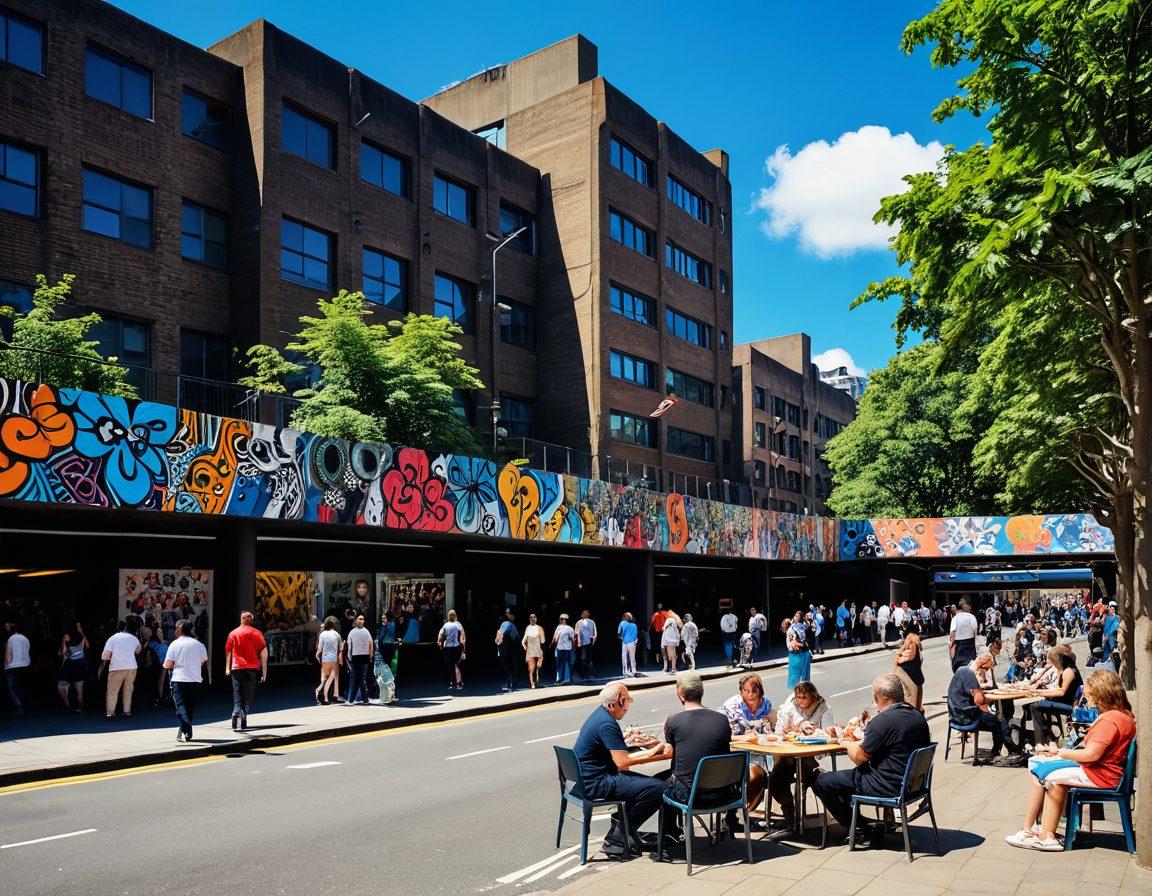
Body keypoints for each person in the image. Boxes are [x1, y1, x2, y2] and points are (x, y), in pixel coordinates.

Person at [1006, 670, 1135, 852]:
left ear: (1100, 693)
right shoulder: (1124, 715)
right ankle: (1044, 831)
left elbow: (1091, 755)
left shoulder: (1109, 720)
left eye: (1089, 694)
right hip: (1107, 772)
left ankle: (1045, 835)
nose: (1086, 698)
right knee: (1051, 775)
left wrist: (1062, 752)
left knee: (1048, 776)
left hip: (1100, 774)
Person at [812, 674, 931, 845]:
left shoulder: (882, 721)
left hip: (887, 784)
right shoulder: (917, 716)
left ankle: (861, 827)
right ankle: (862, 823)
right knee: (844, 780)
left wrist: (845, 743)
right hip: (913, 784)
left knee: (823, 781)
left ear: (879, 697)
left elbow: (860, 758)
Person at [659, 671, 762, 841]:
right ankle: (729, 821)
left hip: (692, 795)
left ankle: (668, 837)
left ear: (680, 694)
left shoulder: (673, 720)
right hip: (725, 794)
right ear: (701, 692)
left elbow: (674, 752)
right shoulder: (721, 719)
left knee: (660, 784)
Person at [572, 682, 668, 857]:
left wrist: (641, 744)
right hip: (597, 783)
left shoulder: (600, 715)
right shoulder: (607, 724)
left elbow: (616, 750)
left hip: (589, 779)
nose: (627, 708)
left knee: (648, 784)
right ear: (618, 701)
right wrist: (654, 752)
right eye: (627, 702)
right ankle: (618, 835)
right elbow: (623, 763)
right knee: (660, 788)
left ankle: (624, 828)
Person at [771, 681, 836, 829]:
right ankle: (789, 814)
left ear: (812, 696)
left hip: (813, 756)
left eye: (804, 697)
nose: (800, 701)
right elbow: (780, 732)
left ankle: (834, 812)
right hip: (790, 755)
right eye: (798, 697)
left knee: (813, 777)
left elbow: (828, 733)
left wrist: (813, 732)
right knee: (776, 778)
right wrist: (791, 728)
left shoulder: (823, 708)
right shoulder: (790, 706)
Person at [947, 654, 1023, 763]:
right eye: (986, 669)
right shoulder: (969, 674)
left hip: (956, 715)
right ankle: (1011, 751)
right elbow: (979, 700)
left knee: (996, 717)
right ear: (981, 667)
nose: (986, 672)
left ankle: (996, 751)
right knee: (999, 720)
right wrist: (986, 698)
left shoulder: (962, 670)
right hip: (966, 716)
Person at [1028, 644, 1083, 744]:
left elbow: (1061, 692)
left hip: (1069, 704)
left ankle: (1041, 740)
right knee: (1038, 703)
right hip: (1066, 700)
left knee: (1035, 706)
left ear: (1060, 659)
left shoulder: (1069, 671)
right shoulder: (1065, 670)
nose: (1053, 663)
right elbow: (1057, 687)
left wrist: (1039, 692)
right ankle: (1047, 735)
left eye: (1054, 660)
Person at [163, 619, 207, 742]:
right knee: (189, 707)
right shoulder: (199, 645)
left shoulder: (174, 644)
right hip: (195, 679)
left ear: (180, 629)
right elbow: (203, 660)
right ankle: (187, 733)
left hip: (179, 678)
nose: (175, 631)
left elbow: (168, 664)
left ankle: (187, 726)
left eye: (176, 628)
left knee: (181, 706)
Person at [225, 610, 267, 731]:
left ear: (241, 619)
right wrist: (264, 672)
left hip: (237, 667)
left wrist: (227, 667)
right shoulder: (257, 633)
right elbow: (263, 652)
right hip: (251, 668)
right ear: (251, 620)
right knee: (249, 694)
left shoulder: (233, 633)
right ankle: (243, 715)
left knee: (237, 692)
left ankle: (236, 712)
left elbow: (228, 650)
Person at [101, 618, 142, 720]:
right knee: (128, 690)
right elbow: (138, 651)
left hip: (117, 667)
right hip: (131, 667)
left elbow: (106, 655)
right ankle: (127, 712)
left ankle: (110, 713)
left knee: (113, 691)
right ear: (126, 627)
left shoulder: (112, 638)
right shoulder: (134, 638)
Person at [892, 621, 924, 712]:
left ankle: (916, 710)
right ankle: (913, 712)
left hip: (906, 671)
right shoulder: (913, 643)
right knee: (913, 692)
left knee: (912, 693)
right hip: (904, 671)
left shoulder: (911, 643)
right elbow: (911, 657)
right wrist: (901, 659)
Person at [57, 622, 89, 712]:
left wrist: (61, 652)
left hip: (70, 663)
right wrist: (82, 633)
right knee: (79, 687)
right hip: (79, 663)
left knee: (62, 684)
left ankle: (67, 704)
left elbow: (62, 651)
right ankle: (80, 705)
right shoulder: (81, 636)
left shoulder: (66, 636)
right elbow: (88, 646)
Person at [345, 614, 374, 705]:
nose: (361, 621)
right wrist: (350, 657)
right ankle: (363, 699)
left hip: (361, 657)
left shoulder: (365, 631)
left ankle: (352, 700)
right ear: (356, 620)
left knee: (358, 679)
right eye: (360, 619)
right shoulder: (354, 632)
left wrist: (370, 656)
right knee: (359, 679)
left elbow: (370, 645)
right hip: (357, 657)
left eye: (362, 619)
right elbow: (350, 646)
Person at [4, 621, 32, 715]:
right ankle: (24, 704)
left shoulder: (11, 638)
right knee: (21, 686)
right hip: (25, 665)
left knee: (12, 687)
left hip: (13, 666)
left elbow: (8, 654)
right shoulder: (25, 638)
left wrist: (7, 665)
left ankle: (18, 706)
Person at [314, 616, 343, 705]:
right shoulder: (336, 635)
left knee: (326, 678)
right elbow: (340, 649)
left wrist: (317, 655)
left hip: (325, 659)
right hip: (333, 659)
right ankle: (327, 696)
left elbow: (319, 647)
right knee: (331, 679)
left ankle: (326, 697)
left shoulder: (322, 634)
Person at [437, 609, 466, 691]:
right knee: (456, 665)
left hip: (447, 648)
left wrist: (439, 643)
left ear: (448, 617)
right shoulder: (458, 624)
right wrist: (464, 649)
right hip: (456, 648)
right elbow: (463, 637)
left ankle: (454, 683)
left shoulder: (445, 625)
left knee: (451, 666)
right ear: (455, 616)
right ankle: (459, 683)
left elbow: (440, 635)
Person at [950, 598, 979, 672]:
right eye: (968, 604)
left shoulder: (955, 618)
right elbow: (975, 634)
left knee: (959, 669)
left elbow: (952, 637)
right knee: (972, 668)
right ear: (964, 606)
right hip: (970, 646)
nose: (970, 606)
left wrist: (952, 655)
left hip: (959, 647)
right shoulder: (971, 617)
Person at [495, 609, 519, 692]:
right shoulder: (508, 623)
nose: (509, 615)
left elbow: (502, 633)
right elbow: (502, 633)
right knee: (508, 663)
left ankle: (510, 680)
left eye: (510, 613)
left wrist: (498, 641)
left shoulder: (509, 624)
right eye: (508, 613)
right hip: (508, 645)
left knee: (505, 662)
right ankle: (511, 680)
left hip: (508, 646)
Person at [786, 611, 811, 688]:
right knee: (796, 674)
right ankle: (798, 688)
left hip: (803, 650)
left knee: (804, 674)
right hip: (797, 652)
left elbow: (808, 624)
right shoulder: (792, 628)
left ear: (800, 619)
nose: (796, 617)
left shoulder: (802, 626)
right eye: (795, 616)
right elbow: (789, 642)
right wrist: (792, 643)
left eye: (798, 616)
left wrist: (805, 619)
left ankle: (803, 688)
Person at [522, 613, 546, 688]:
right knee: (531, 669)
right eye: (531, 617)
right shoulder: (528, 628)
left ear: (536, 618)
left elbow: (542, 641)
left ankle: (536, 681)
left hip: (538, 650)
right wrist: (524, 646)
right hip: (530, 651)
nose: (532, 618)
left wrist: (542, 637)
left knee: (539, 666)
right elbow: (523, 640)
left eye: (534, 617)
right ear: (529, 619)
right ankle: (532, 683)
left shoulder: (539, 628)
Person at [552, 613, 576, 684]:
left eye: (565, 619)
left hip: (567, 649)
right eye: (562, 619)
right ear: (560, 619)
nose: (563, 620)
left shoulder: (570, 629)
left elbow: (573, 639)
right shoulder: (558, 627)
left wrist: (573, 648)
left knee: (567, 664)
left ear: (567, 620)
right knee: (559, 664)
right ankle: (559, 679)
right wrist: (553, 643)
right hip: (559, 648)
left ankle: (567, 679)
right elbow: (555, 637)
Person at [575, 609, 597, 683]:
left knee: (588, 659)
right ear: (582, 615)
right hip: (580, 643)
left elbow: (595, 633)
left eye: (586, 613)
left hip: (589, 642)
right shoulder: (579, 622)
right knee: (582, 659)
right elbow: (576, 632)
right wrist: (577, 641)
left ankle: (587, 674)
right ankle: (582, 674)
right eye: (584, 613)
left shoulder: (592, 622)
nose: (585, 615)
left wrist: (592, 642)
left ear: (588, 614)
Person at [617, 612, 638, 678]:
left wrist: (621, 637)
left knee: (625, 657)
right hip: (631, 642)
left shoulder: (622, 623)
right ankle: (632, 671)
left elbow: (619, 633)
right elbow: (635, 635)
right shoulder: (634, 625)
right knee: (631, 657)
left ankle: (626, 672)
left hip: (625, 642)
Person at [648, 604, 668, 668]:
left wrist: (649, 630)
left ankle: (661, 661)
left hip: (661, 632)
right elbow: (651, 624)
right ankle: (660, 660)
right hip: (660, 632)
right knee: (660, 646)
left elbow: (651, 624)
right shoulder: (660, 614)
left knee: (659, 646)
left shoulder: (659, 614)